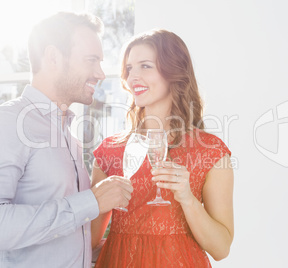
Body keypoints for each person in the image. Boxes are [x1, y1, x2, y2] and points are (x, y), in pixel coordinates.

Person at [0, 12, 133, 268]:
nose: (99, 73)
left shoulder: (68, 136)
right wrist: (91, 202)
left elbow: (61, 240)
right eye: (91, 60)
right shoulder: (6, 123)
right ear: (53, 57)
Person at [91, 29, 234, 267]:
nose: (132, 76)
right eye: (128, 68)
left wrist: (187, 199)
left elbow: (221, 248)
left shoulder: (210, 152)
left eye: (145, 66)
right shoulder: (110, 152)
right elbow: (90, 239)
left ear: (174, 72)